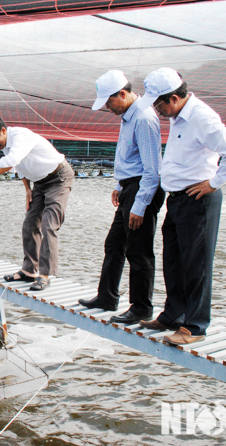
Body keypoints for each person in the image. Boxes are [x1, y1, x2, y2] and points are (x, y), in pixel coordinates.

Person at [137, 68, 226, 345]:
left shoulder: (202, 117)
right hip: (178, 198)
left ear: (172, 98)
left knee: (197, 264)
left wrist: (215, 182)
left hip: (198, 199)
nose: (157, 111)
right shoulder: (179, 116)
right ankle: (173, 315)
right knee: (173, 259)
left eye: (158, 105)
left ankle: (195, 326)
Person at [78, 70, 165, 325]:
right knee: (115, 243)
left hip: (142, 189)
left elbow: (152, 168)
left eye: (109, 101)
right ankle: (106, 296)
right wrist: (120, 184)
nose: (107, 106)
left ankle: (141, 308)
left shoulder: (144, 118)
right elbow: (130, 156)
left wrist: (140, 203)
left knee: (138, 251)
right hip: (130, 186)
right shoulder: (128, 115)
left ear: (123, 93)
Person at [0, 114, 74, 291]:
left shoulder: (21, 136)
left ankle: (44, 275)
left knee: (49, 225)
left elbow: (11, 161)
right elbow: (21, 167)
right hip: (39, 184)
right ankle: (29, 271)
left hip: (59, 178)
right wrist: (27, 188)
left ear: (3, 131)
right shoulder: (5, 144)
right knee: (29, 224)